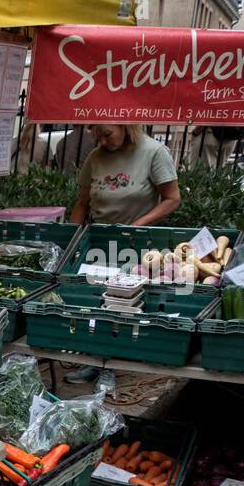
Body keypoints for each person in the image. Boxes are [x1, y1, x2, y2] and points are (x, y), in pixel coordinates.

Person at [66, 124, 182, 384]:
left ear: (126, 126)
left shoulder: (153, 152)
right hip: (98, 241)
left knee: (122, 303)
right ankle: (95, 359)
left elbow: (173, 198)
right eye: (97, 136)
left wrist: (137, 225)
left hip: (136, 243)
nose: (103, 141)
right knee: (96, 300)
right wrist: (72, 239)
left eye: (108, 134)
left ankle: (111, 365)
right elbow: (82, 203)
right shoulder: (96, 157)